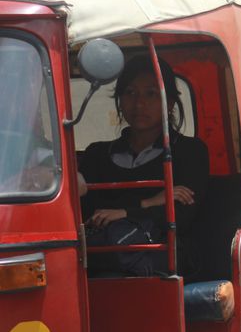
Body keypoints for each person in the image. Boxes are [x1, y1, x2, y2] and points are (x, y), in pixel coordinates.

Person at [78, 55, 209, 278]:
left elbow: (181, 216)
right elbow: (90, 212)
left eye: (151, 94)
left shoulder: (189, 151)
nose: (139, 104)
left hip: (161, 261)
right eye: (130, 93)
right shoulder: (97, 153)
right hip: (103, 258)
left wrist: (124, 212)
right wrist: (150, 201)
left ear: (169, 102)